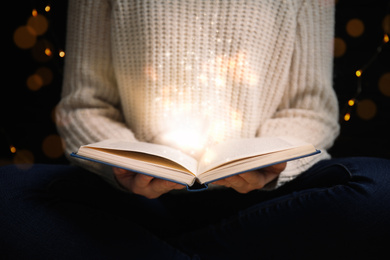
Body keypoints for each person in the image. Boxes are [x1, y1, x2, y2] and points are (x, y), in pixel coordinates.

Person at [1, 0, 390, 259]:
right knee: (6, 195)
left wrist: (269, 164)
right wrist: (126, 165)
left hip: (260, 201)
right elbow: (83, 105)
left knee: (381, 190)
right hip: (137, 199)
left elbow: (312, 109)